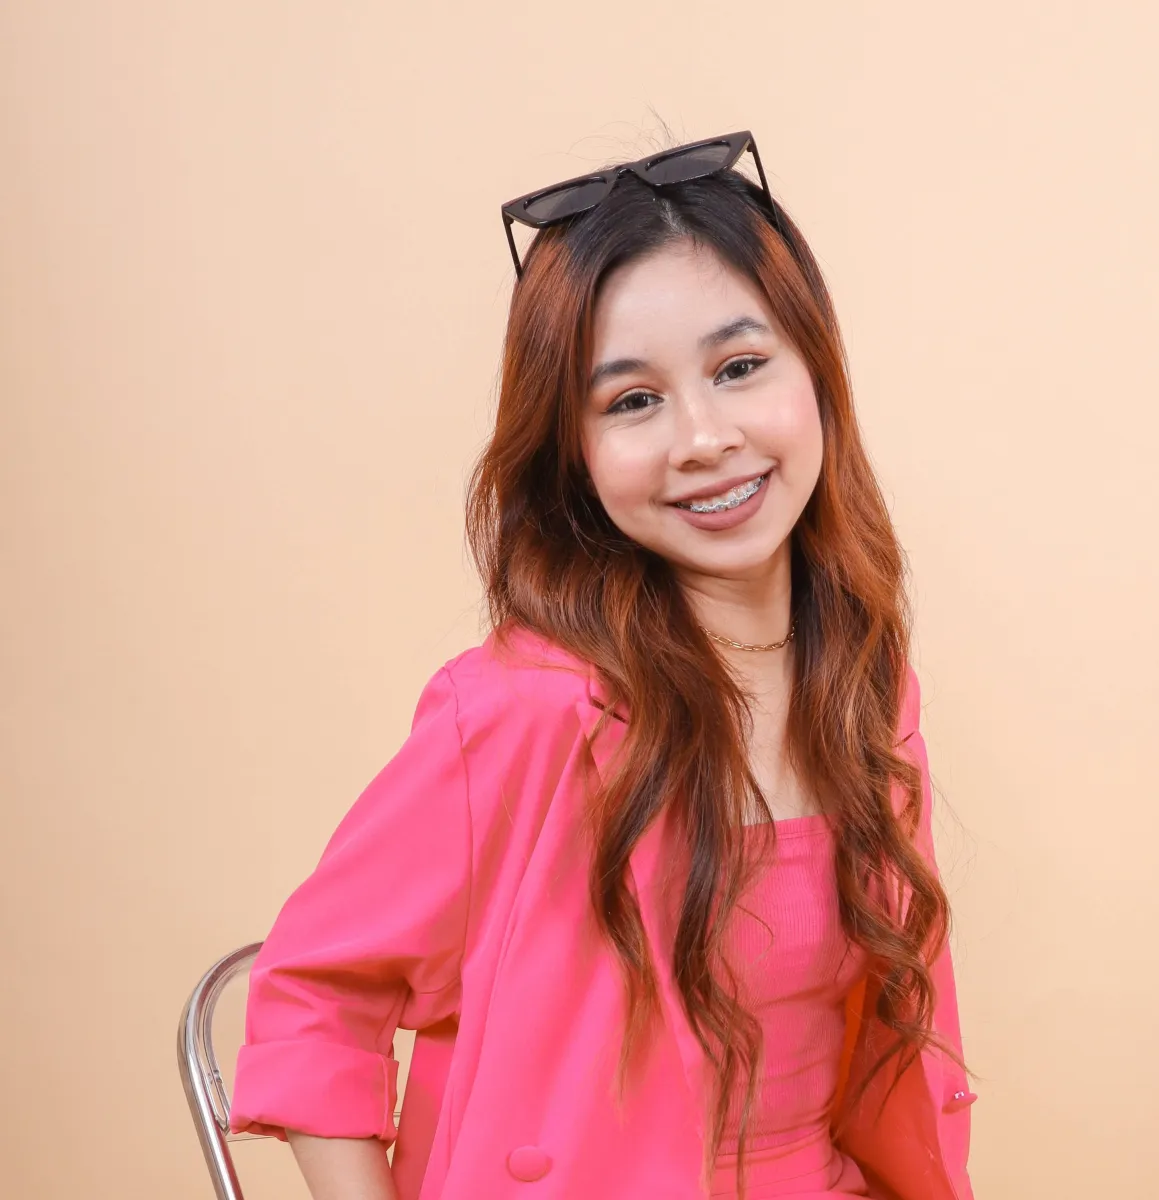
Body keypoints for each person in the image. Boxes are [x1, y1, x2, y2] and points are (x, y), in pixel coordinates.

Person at [227, 131, 976, 1200]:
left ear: (818, 371)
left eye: (739, 368)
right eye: (632, 401)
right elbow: (312, 999)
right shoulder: (519, 712)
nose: (703, 437)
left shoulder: (864, 681)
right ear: (572, 453)